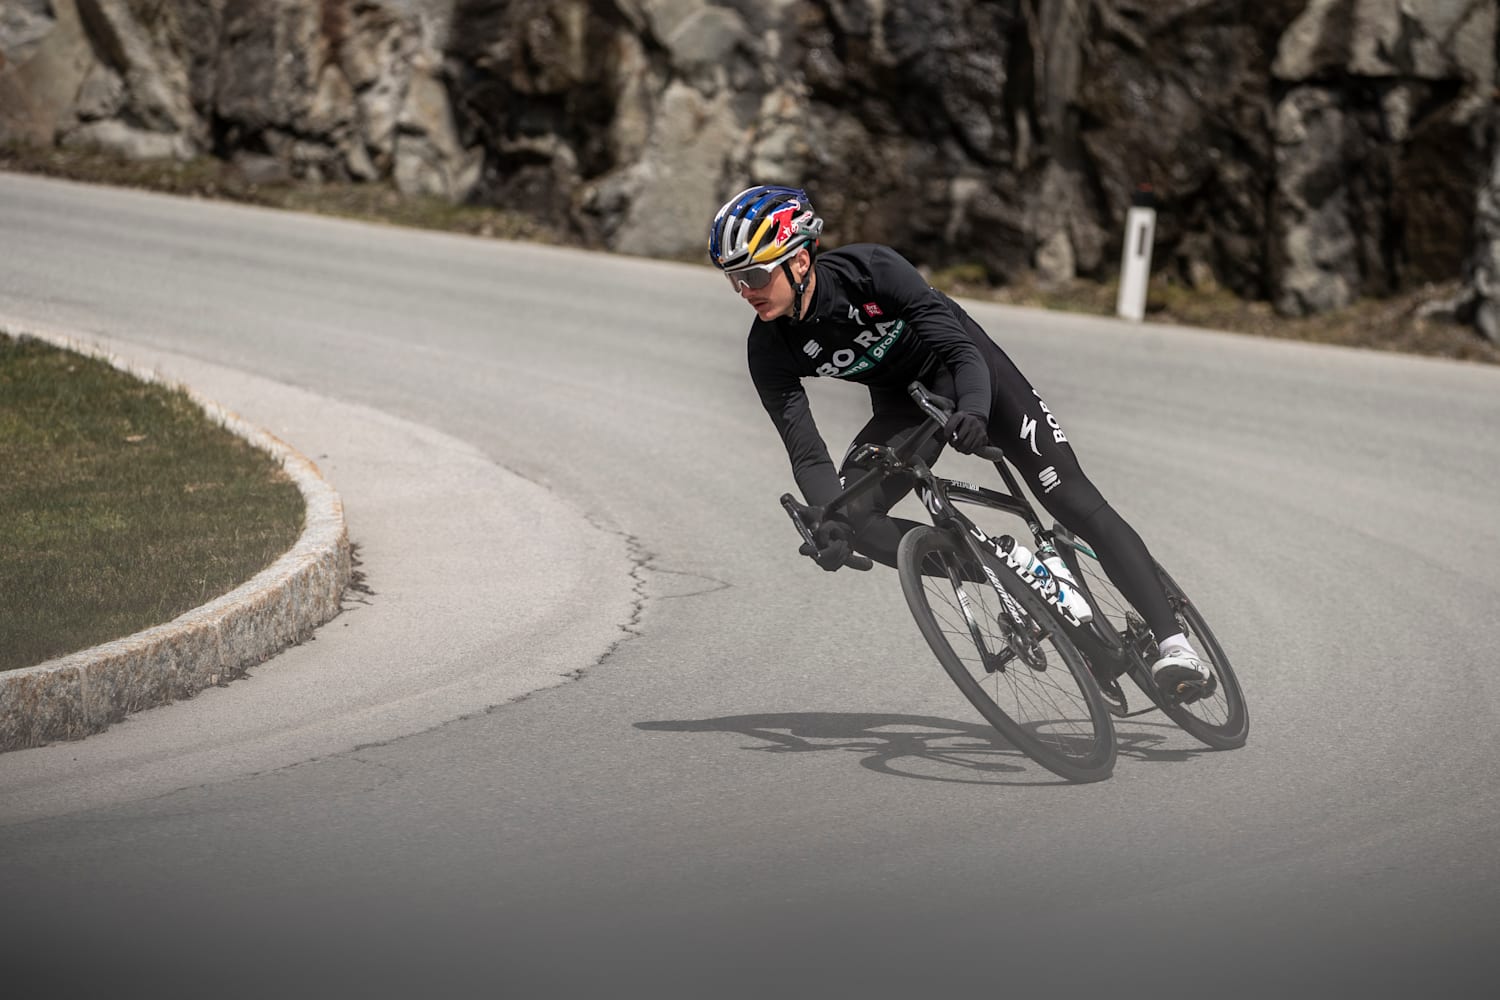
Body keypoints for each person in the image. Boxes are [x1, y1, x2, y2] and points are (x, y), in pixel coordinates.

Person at [709, 183, 1212, 696]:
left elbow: (961, 349)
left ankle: (1176, 644)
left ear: (798, 260)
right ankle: (1012, 571)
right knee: (853, 519)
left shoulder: (872, 271)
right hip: (906, 404)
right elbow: (806, 450)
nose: (746, 291)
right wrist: (829, 519)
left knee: (1068, 496)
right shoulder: (768, 349)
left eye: (753, 275)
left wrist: (974, 410)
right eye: (734, 281)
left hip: (970, 370)